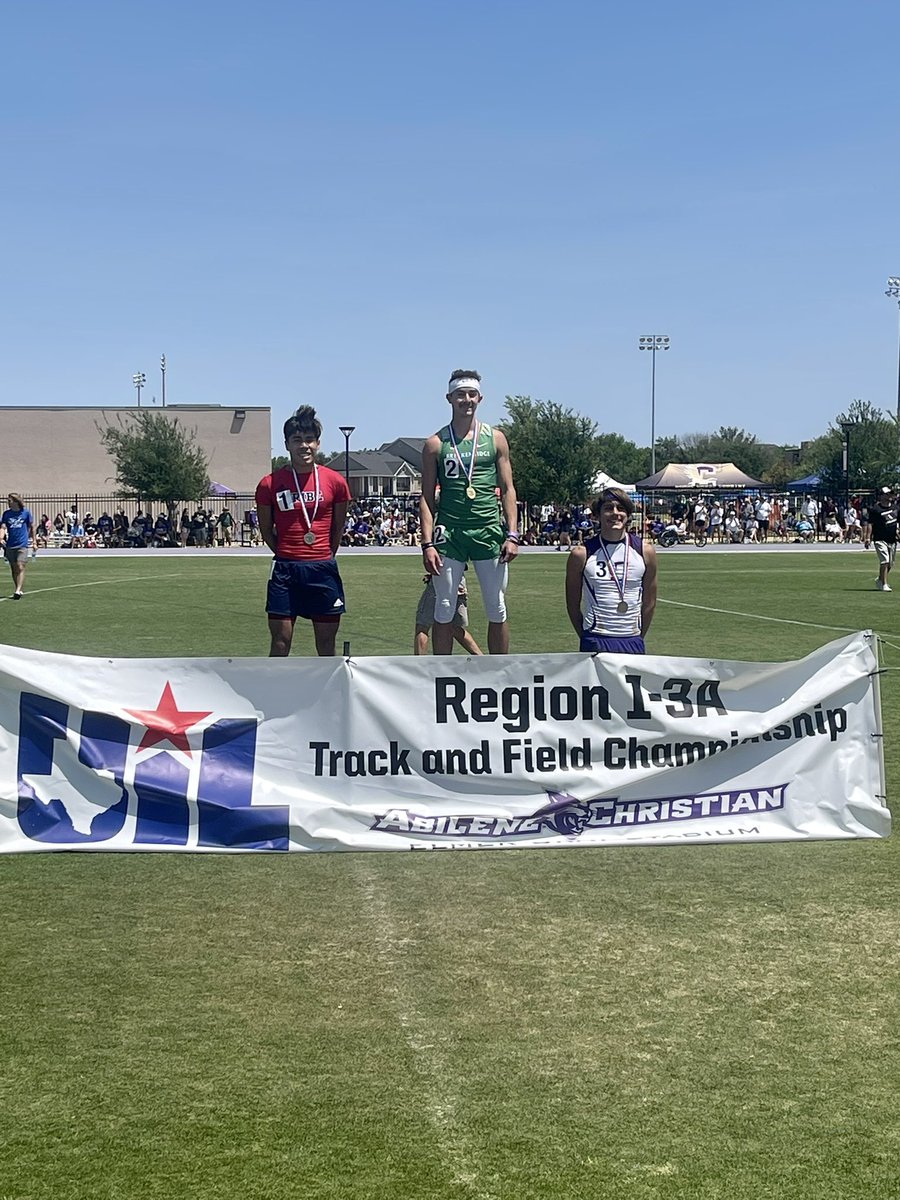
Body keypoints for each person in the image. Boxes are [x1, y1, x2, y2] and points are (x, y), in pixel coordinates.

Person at [420, 368, 519, 654]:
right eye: (460, 395)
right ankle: (442, 676)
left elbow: (509, 488)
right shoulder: (435, 444)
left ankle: (498, 673)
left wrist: (512, 534)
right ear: (449, 398)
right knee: (444, 607)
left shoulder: (496, 438)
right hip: (449, 532)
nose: (466, 400)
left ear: (480, 398)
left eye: (471, 394)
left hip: (488, 530)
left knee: (496, 606)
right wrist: (427, 544)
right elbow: (426, 497)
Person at [256, 405, 351, 656]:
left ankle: (328, 694)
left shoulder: (335, 482)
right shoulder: (270, 484)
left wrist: (323, 554)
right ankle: (275, 693)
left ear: (318, 443)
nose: (304, 446)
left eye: (309, 440)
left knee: (326, 644)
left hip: (322, 569)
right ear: (287, 444)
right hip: (285, 570)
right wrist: (287, 551)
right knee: (280, 641)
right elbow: (266, 528)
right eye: (297, 440)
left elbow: (338, 526)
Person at [565, 488, 658, 653]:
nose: (615, 513)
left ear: (628, 515)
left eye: (621, 508)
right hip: (596, 639)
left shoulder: (645, 552)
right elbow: (572, 604)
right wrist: (586, 637)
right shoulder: (581, 554)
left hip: (632, 640)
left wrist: (638, 636)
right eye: (608, 508)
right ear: (597, 515)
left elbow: (650, 603)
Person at [414, 574, 483, 656]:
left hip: (439, 582)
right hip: (459, 581)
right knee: (454, 627)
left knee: (423, 626)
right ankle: (482, 658)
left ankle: (419, 665)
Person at [863, 486, 898, 592]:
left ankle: (880, 579)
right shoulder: (876, 509)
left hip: (892, 539)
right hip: (879, 539)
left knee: (890, 563)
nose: (890, 496)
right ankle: (884, 584)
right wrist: (868, 538)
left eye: (891, 494)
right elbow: (870, 524)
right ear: (882, 496)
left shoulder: (896, 508)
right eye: (887, 494)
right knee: (885, 561)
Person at [1, 493, 35, 599]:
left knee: (20, 566)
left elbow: (32, 527)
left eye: (10, 500)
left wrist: (34, 541)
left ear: (16, 501)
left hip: (22, 544)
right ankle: (17, 588)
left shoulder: (25, 513)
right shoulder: (6, 514)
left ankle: (18, 590)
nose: (8, 502)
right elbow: (2, 527)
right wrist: (1, 538)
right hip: (10, 545)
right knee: (14, 568)